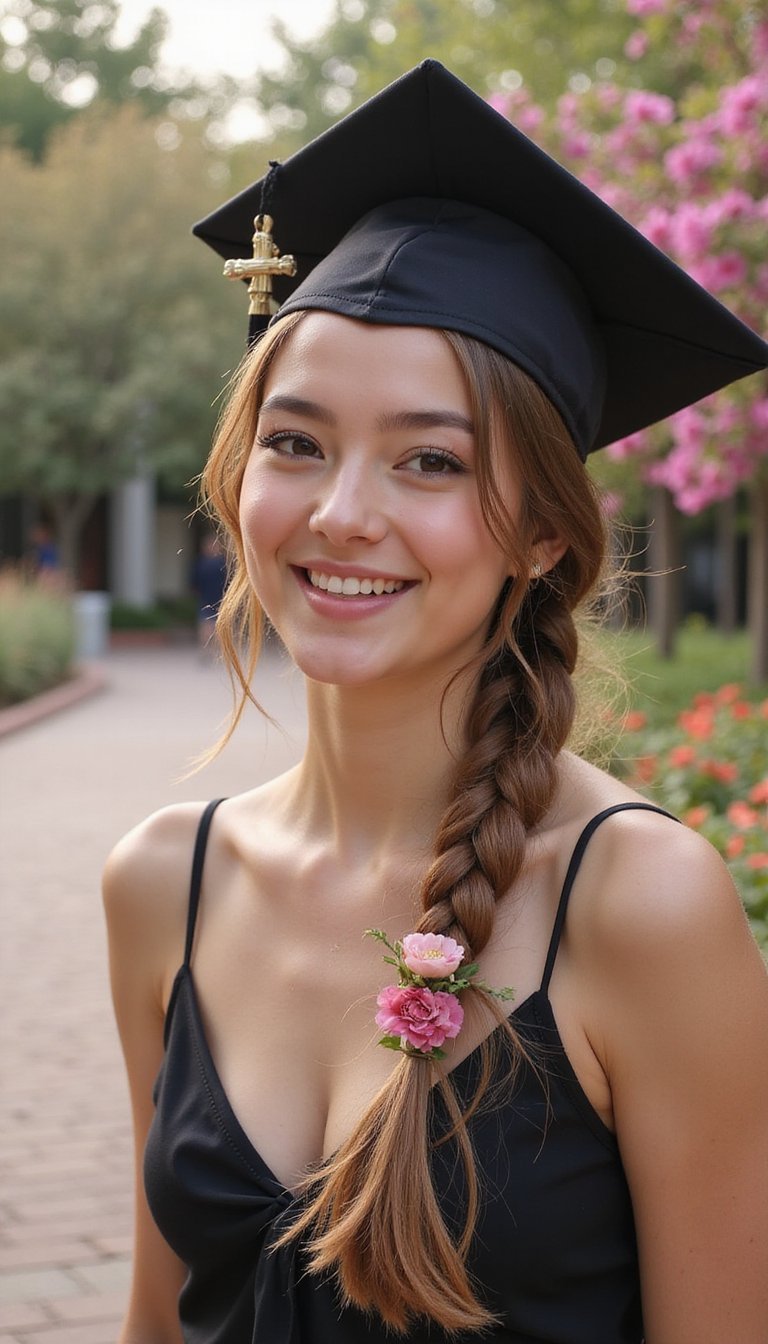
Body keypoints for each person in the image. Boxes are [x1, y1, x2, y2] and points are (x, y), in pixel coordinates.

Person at [103, 61, 768, 1344]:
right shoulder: (161, 886)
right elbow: (161, 1320)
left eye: (431, 459)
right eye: (296, 442)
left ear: (538, 537)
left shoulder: (639, 907)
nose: (342, 512)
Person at [191, 531, 228, 653]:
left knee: (205, 623)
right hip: (220, 596)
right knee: (219, 623)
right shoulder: (222, 563)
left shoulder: (201, 563)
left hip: (205, 596)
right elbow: (229, 581)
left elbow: (194, 582)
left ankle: (206, 648)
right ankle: (217, 649)